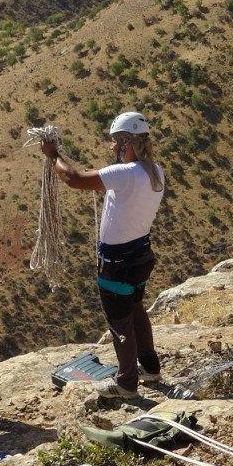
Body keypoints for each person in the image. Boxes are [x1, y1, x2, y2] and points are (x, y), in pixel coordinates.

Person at [39, 111, 165, 400]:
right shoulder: (156, 171)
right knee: (135, 309)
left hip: (117, 262)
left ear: (128, 142)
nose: (112, 148)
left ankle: (126, 383)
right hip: (140, 255)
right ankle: (150, 367)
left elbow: (73, 178)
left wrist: (53, 154)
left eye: (116, 142)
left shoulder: (124, 173)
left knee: (119, 320)